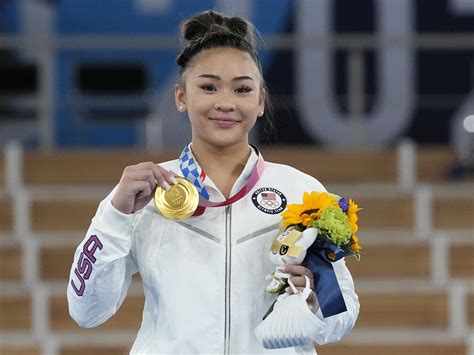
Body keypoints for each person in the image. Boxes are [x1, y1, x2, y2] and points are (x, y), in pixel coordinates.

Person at [67, 10, 359, 354]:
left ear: (260, 101)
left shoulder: (301, 193)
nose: (225, 103)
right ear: (181, 97)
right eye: (208, 87)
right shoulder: (144, 194)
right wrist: (113, 216)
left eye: (242, 89)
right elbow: (86, 311)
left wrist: (311, 303)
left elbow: (341, 316)